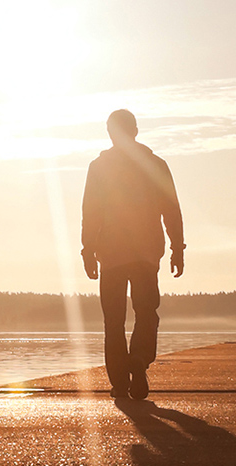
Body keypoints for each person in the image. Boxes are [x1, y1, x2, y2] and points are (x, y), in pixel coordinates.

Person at [81, 109, 185, 400]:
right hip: (145, 253)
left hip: (112, 254)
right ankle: (139, 360)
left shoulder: (99, 167)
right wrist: (178, 247)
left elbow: (90, 212)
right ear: (136, 131)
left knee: (113, 321)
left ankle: (119, 383)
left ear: (111, 133)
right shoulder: (155, 164)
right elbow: (171, 209)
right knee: (146, 312)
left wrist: (88, 249)